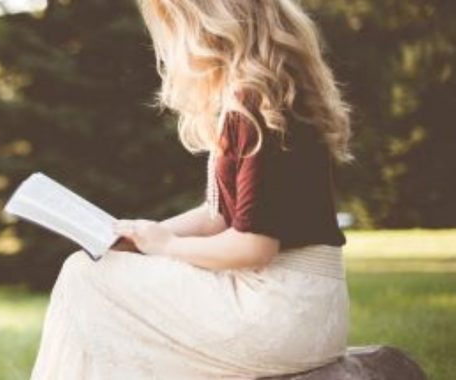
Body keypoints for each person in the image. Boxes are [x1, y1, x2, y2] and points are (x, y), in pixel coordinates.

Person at [29, 0, 354, 379]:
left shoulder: (254, 106)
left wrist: (167, 247)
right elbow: (219, 215)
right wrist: (146, 235)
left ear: (209, 28)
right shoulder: (272, 97)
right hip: (309, 307)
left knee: (84, 274)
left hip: (279, 310)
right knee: (98, 273)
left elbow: (254, 247)